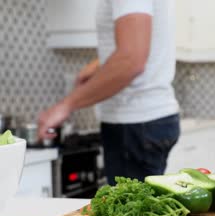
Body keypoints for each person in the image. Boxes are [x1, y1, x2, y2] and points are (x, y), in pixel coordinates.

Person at [38, 0, 180, 185]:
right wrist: (100, 65)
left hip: (135, 122)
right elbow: (140, 43)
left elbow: (131, 60)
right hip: (146, 121)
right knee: (139, 207)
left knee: (130, 211)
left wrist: (66, 105)